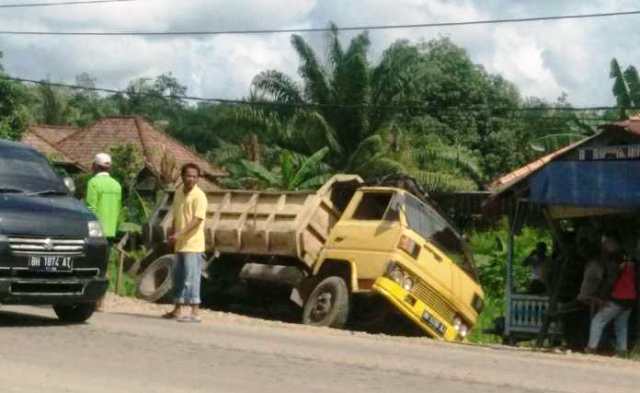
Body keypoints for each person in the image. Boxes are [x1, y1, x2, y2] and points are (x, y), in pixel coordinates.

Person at [162, 163, 208, 323]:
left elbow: (197, 219)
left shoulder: (199, 196)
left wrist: (180, 234)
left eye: (195, 176)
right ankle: (177, 309)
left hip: (193, 244)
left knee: (192, 277)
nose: (191, 179)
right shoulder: (178, 193)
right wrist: (172, 234)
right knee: (179, 277)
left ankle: (195, 312)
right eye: (188, 175)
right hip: (180, 243)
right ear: (182, 176)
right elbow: (176, 216)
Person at [584, 234, 635, 355]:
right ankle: (622, 350)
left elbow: (610, 282)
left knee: (598, 320)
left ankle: (591, 347)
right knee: (621, 324)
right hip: (631, 298)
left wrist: (603, 298)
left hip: (618, 297)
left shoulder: (615, 265)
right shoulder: (632, 265)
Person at [86, 153, 122, 311]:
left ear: (94, 166)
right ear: (109, 167)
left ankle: (89, 300)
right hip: (111, 232)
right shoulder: (116, 185)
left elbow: (90, 208)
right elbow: (118, 209)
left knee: (91, 266)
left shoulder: (93, 183)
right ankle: (101, 302)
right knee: (104, 267)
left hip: (95, 232)